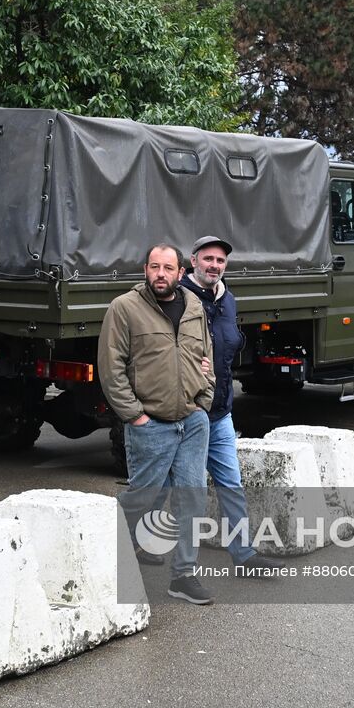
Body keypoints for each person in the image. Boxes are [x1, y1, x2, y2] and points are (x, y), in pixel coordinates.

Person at [98, 243, 216, 605]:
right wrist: (136, 415)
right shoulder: (125, 308)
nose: (161, 274)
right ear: (144, 269)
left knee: (192, 498)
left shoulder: (194, 306)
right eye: (154, 267)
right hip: (151, 424)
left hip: (192, 423)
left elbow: (205, 355)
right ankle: (105, 555)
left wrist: (203, 400)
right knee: (143, 497)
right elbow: (111, 367)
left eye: (168, 268)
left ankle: (183, 576)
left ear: (181, 272)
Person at [178, 236, 285, 576]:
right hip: (187, 413)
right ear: (193, 261)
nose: (214, 265)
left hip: (221, 411)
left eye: (220, 261)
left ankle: (244, 557)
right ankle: (176, 566)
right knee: (181, 491)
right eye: (207, 259)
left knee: (232, 487)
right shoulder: (177, 298)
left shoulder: (228, 299)